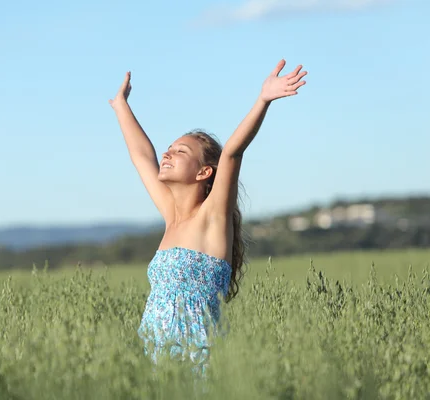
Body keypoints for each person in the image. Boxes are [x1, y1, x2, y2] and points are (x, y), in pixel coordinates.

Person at [108, 60, 307, 373]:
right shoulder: (172, 216)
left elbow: (231, 153)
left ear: (204, 172)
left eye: (180, 152)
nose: (167, 154)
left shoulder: (213, 217)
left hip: (197, 361)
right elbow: (142, 157)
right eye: (169, 148)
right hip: (154, 358)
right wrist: (121, 106)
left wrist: (263, 100)